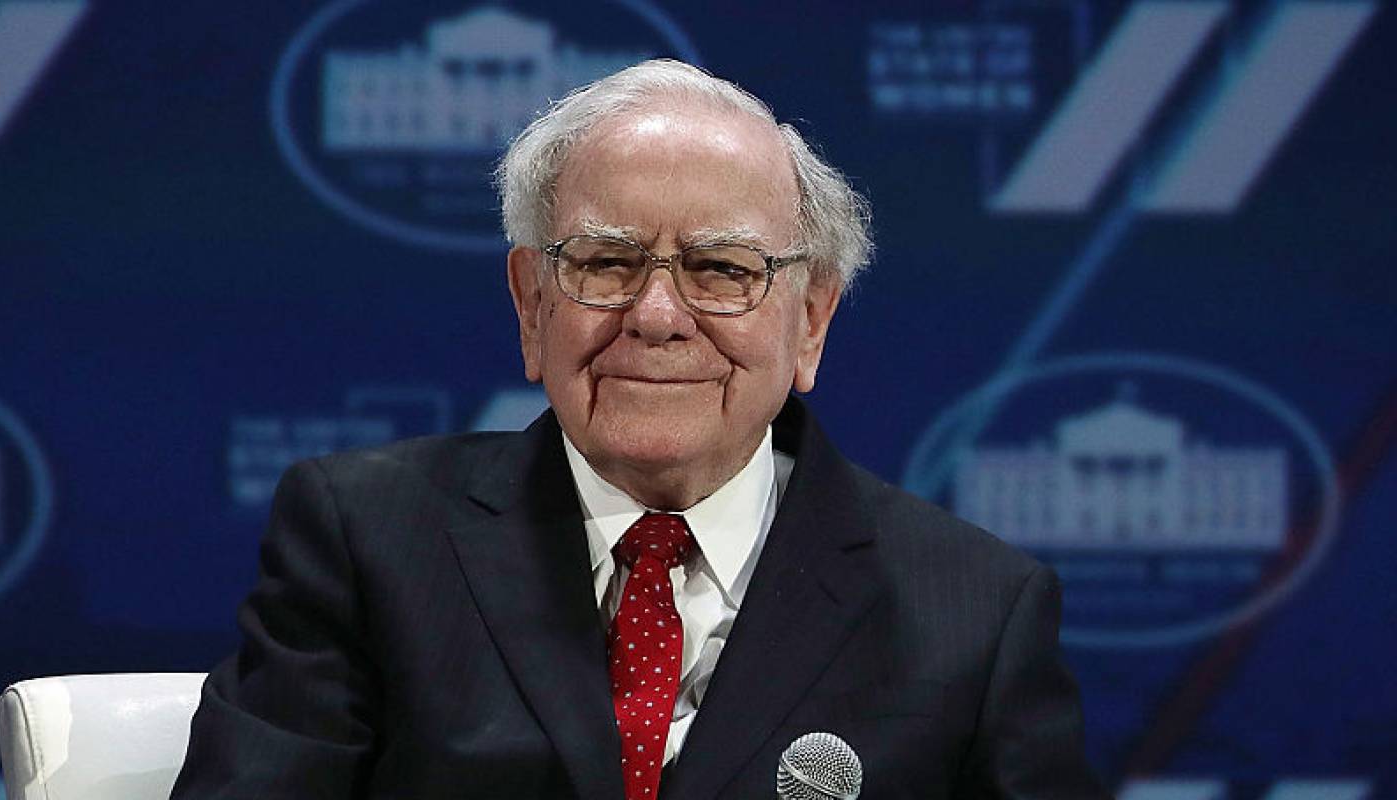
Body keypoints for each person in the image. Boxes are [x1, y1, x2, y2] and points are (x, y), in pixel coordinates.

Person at [172, 59, 1107, 800]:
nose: (658, 315)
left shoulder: (976, 610)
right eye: (607, 262)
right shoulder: (365, 539)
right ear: (532, 305)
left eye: (722, 269)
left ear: (811, 320)